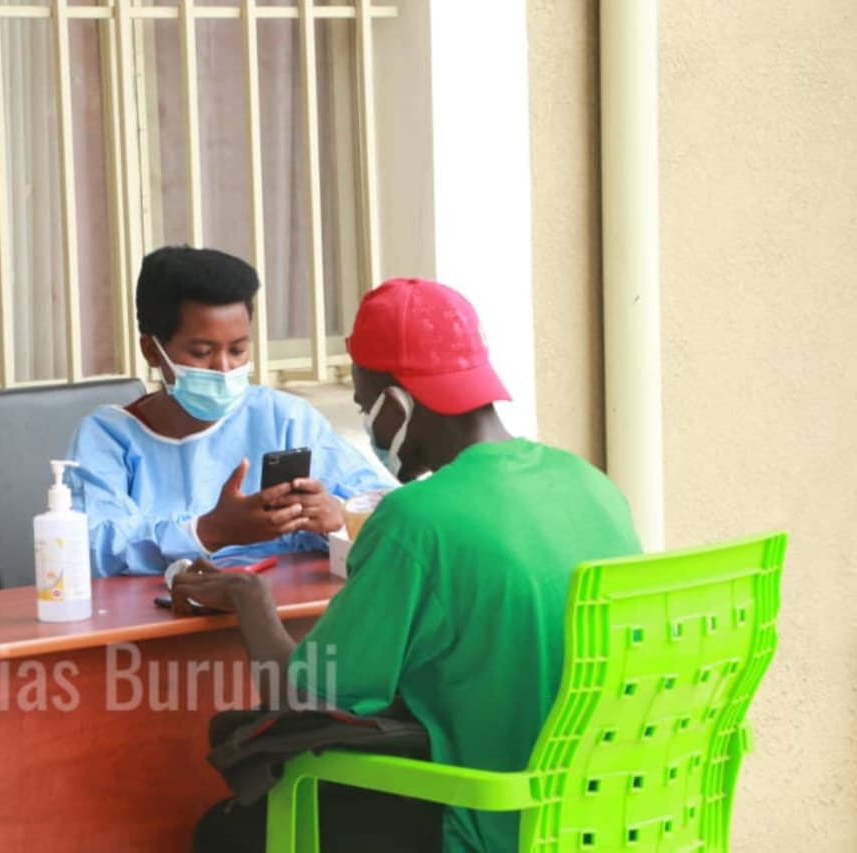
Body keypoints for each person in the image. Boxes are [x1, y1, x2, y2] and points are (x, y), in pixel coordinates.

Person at [177, 278, 643, 852]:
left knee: (226, 832)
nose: (368, 428)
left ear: (395, 406)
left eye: (363, 406)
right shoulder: (589, 485)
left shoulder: (416, 521)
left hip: (494, 822)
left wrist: (250, 599)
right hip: (614, 816)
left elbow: (303, 702)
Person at [67, 246, 393, 577]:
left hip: (285, 614)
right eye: (202, 352)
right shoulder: (109, 437)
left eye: (237, 350)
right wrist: (209, 532)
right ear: (152, 350)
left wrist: (337, 518)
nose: (224, 368)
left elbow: (393, 514)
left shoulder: (284, 420)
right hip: (153, 621)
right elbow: (89, 550)